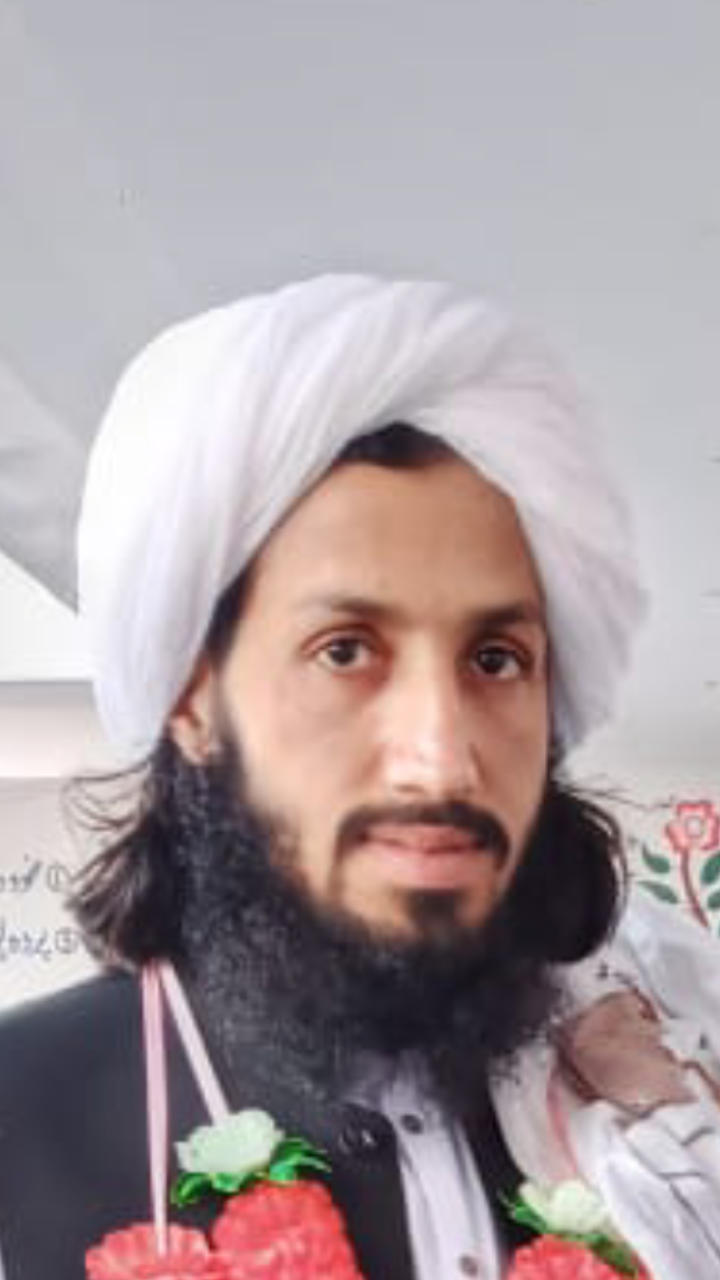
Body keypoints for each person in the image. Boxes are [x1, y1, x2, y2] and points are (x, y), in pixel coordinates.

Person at [0, 274, 718, 1280]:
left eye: (496, 658)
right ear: (192, 700)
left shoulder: (636, 1128)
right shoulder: (19, 1107)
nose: (442, 755)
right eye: (346, 650)